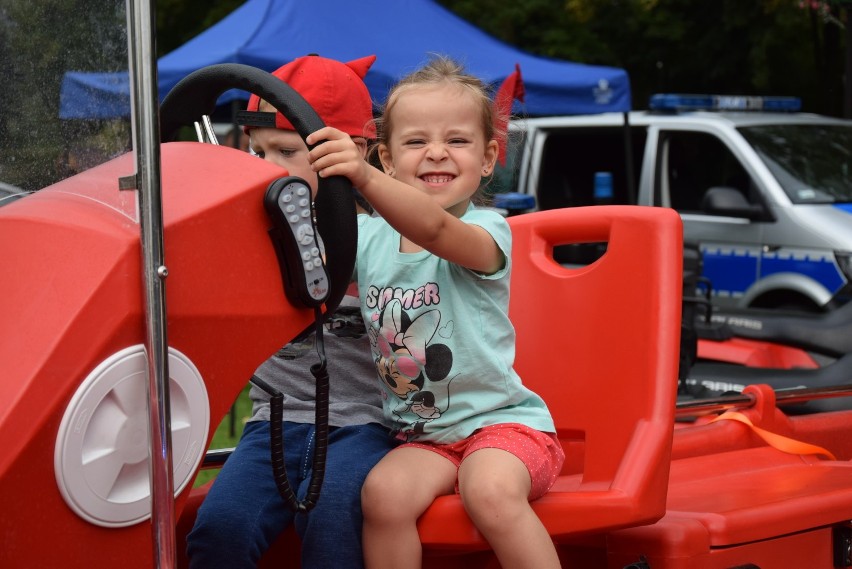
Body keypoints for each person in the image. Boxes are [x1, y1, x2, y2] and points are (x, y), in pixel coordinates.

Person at [306, 55, 566, 569]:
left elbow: (434, 231)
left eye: (458, 140)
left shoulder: (490, 230)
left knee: (489, 491)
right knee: (381, 496)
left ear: (490, 157)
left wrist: (361, 177)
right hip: (424, 436)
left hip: (504, 427)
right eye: (416, 141)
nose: (437, 153)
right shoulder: (368, 238)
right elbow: (310, 267)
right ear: (387, 155)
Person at [186, 54, 398, 569]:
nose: (266, 169)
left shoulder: (391, 237)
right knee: (217, 530)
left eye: (285, 151)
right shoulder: (246, 234)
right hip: (273, 424)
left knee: (330, 522)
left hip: (367, 425)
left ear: (353, 151)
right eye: (257, 151)